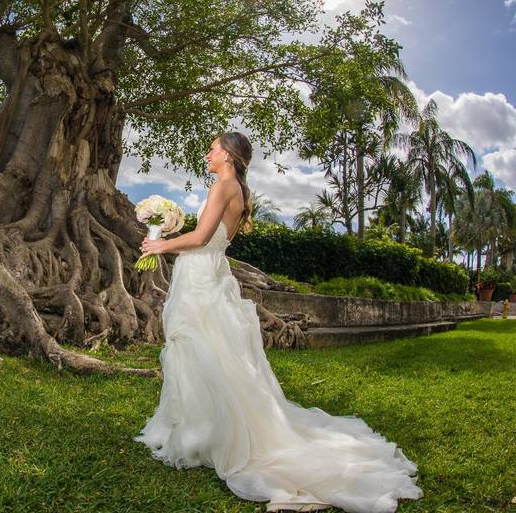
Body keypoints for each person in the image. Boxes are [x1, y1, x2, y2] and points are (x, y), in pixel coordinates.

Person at [135, 132, 422, 513]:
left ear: (229, 155)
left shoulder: (222, 185)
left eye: (213, 148)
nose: (208, 153)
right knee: (209, 348)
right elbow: (215, 237)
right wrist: (170, 233)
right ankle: (198, 428)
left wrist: (161, 244)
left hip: (202, 274)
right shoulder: (237, 188)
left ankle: (203, 434)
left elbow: (203, 236)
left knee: (197, 346)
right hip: (211, 272)